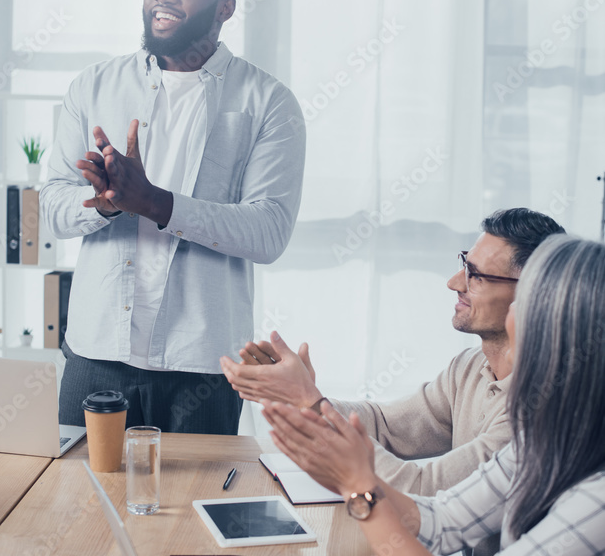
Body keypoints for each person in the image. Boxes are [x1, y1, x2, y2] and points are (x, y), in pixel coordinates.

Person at [261, 234, 605, 556]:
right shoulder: (550, 439)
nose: (511, 324)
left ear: (560, 339)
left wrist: (360, 485)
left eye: (525, 310)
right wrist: (329, 439)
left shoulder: (595, 500)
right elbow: (442, 519)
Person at [41, 0, 305, 435]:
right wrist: (102, 207)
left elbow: (269, 232)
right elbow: (52, 204)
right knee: (75, 504)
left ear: (225, 7)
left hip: (201, 365)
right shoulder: (94, 86)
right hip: (95, 353)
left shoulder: (268, 102)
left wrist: (155, 203)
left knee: (191, 511)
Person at [221, 209, 565, 501]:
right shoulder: (471, 367)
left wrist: (308, 401)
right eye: (464, 264)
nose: (454, 282)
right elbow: (385, 427)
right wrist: (307, 400)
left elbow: (426, 491)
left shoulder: (538, 411)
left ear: (533, 294)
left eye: (476, 276)